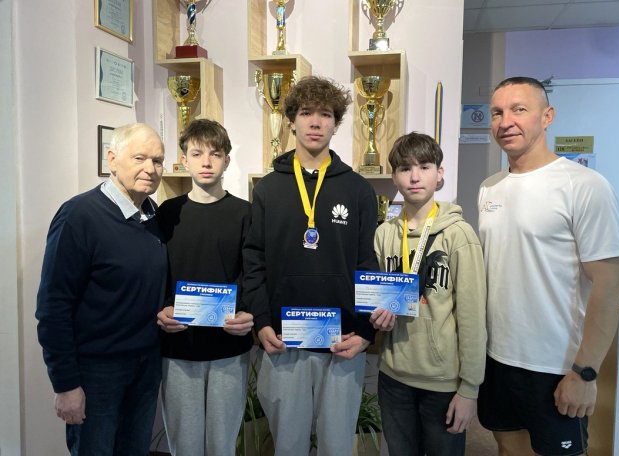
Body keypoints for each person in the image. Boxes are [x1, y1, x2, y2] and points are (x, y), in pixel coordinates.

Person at [477, 76, 619, 456]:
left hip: (556, 365)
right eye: (497, 112)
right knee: (508, 448)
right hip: (497, 358)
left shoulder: (584, 185)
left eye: (519, 109)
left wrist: (585, 372)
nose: (506, 121)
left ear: (547, 117)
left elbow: (610, 284)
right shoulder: (489, 187)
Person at [242, 75, 379, 455]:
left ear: (336, 123)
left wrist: (366, 331)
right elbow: (254, 261)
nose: (315, 122)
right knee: (288, 446)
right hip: (284, 342)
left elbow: (368, 263)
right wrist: (262, 323)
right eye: (306, 113)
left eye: (325, 114)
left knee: (337, 447)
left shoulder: (358, 190)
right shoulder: (267, 189)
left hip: (342, 343)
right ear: (291, 121)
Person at [35, 123, 167, 456]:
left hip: (145, 367)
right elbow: (53, 306)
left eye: (157, 160)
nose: (150, 169)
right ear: (112, 159)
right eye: (139, 158)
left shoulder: (153, 216)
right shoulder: (78, 215)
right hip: (97, 373)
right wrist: (66, 384)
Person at [370, 132, 487, 456]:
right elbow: (377, 300)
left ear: (440, 174)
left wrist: (469, 389)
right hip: (393, 377)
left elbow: (473, 316)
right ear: (394, 177)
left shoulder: (458, 235)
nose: (415, 176)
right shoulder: (384, 235)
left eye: (424, 167)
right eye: (405, 168)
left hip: (443, 382)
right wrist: (377, 319)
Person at [155, 119, 254, 456]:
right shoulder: (168, 213)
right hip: (179, 346)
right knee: (184, 444)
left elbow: (253, 274)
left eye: (215, 154)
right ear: (184, 160)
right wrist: (163, 307)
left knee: (221, 444)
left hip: (229, 346)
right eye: (197, 154)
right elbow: (157, 272)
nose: (206, 162)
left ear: (227, 160)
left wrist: (248, 313)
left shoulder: (245, 213)